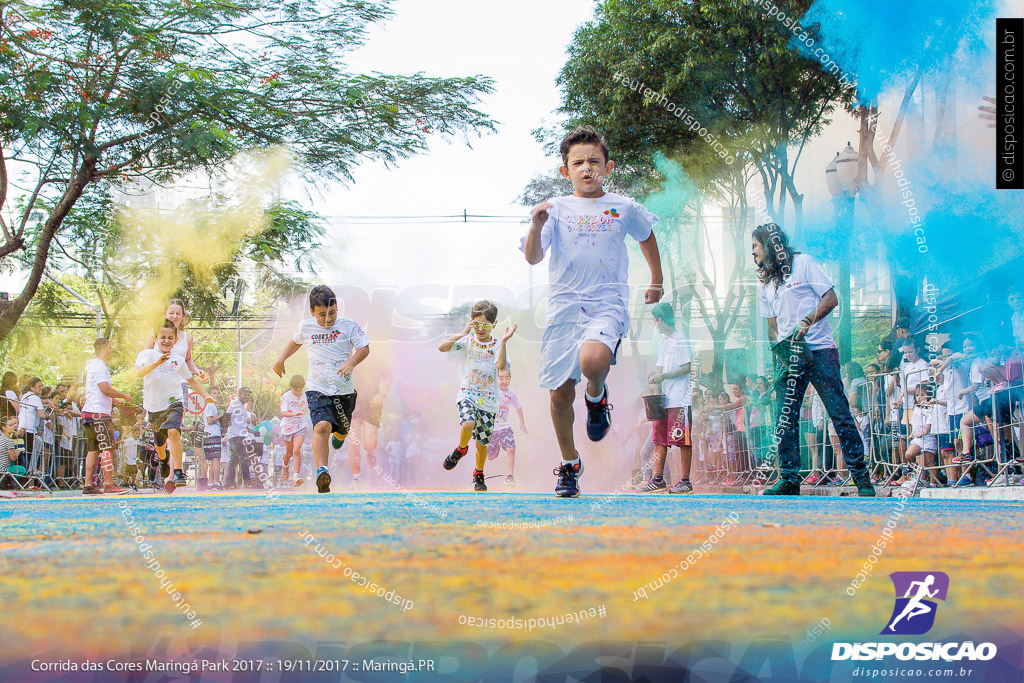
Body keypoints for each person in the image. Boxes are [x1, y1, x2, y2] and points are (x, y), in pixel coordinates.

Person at [521, 126, 663, 497]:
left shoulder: (623, 206)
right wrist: (536, 228)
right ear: (564, 171)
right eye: (578, 162)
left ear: (608, 166)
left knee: (593, 359)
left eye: (594, 162)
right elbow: (534, 258)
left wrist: (656, 280)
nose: (587, 168)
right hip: (563, 311)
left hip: (607, 304)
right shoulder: (553, 209)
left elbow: (646, 235)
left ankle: (597, 397)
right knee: (558, 396)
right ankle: (570, 464)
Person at [751, 223, 874, 496]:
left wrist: (808, 320)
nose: (753, 253)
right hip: (789, 357)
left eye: (756, 246)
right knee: (785, 419)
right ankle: (790, 479)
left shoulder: (804, 263)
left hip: (820, 351)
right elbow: (772, 328)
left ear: (771, 245)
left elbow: (831, 299)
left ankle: (861, 478)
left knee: (839, 413)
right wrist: (778, 357)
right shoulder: (764, 283)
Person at [273, 285, 370, 494]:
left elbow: (364, 348)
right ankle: (322, 472)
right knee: (321, 427)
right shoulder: (306, 327)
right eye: (322, 315)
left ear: (337, 307)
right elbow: (294, 342)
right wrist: (281, 359)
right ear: (312, 312)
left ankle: (341, 435)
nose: (328, 319)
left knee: (343, 430)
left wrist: (351, 363)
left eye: (332, 312)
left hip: (344, 391)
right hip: (317, 390)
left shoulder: (349, 326)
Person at [438, 300, 516, 492]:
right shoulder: (466, 341)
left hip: (488, 403)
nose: (481, 329)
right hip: (467, 395)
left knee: (482, 444)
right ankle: (461, 449)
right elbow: (442, 347)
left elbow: (500, 366)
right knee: (468, 423)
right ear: (472, 323)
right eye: (477, 325)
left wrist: (504, 342)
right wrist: (463, 332)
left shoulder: (497, 344)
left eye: (486, 326)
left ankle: (478, 474)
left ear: (493, 325)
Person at [136, 319, 214, 492]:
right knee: (160, 443)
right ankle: (164, 460)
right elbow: (140, 372)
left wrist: (206, 395)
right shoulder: (146, 355)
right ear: (156, 338)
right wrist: (157, 363)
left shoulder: (178, 359)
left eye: (170, 338)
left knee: (173, 431)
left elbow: (191, 379)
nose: (166, 341)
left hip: (174, 402)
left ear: (175, 340)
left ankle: (178, 471)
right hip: (154, 407)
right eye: (162, 337)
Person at [635, 302, 694, 494]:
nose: (655, 324)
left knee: (682, 440)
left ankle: (685, 481)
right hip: (664, 400)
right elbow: (659, 369)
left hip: (680, 399)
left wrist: (664, 376)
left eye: (655, 321)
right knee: (659, 439)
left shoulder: (681, 339)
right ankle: (658, 479)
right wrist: (655, 390)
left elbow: (687, 368)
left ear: (660, 320)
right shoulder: (663, 342)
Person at [81, 338, 134, 495]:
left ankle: (88, 484)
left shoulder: (94, 366)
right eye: (110, 347)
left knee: (93, 449)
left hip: (89, 412)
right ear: (103, 348)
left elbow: (98, 390)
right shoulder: (99, 366)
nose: (112, 350)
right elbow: (105, 389)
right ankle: (109, 484)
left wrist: (115, 401)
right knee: (107, 448)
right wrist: (123, 395)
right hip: (99, 414)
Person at [348, 352, 393, 488]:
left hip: (372, 404)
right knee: (354, 441)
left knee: (369, 443)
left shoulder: (375, 357)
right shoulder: (347, 356)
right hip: (352, 403)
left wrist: (381, 394)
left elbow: (388, 377)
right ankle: (356, 478)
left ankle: (369, 452)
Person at [487, 366, 527, 487]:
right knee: (490, 456)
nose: (504, 381)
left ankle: (509, 476)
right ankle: (496, 448)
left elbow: (518, 407)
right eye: (501, 378)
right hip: (492, 428)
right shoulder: (491, 391)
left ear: (510, 379)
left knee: (511, 449)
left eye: (507, 378)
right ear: (496, 379)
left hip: (505, 426)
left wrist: (522, 423)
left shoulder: (511, 394)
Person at [279, 375, 309, 487]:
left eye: (300, 389)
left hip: (300, 426)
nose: (298, 392)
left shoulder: (304, 396)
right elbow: (283, 413)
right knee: (289, 453)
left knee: (297, 450)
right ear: (292, 387)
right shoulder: (286, 397)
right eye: (296, 389)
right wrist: (294, 414)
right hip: (288, 427)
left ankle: (295, 476)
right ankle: (285, 466)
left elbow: (308, 410)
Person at [224, 387, 257, 489]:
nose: (246, 396)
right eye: (244, 394)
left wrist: (251, 431)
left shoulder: (243, 406)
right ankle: (247, 481)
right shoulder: (234, 404)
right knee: (244, 457)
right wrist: (225, 430)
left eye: (248, 394)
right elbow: (227, 416)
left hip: (240, 435)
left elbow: (241, 423)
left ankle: (229, 482)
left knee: (234, 460)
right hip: (235, 436)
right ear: (239, 394)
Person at [201, 385, 225, 491]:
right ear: (210, 395)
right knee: (216, 459)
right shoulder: (211, 405)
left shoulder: (211, 405)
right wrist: (220, 416)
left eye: (218, 393)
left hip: (210, 433)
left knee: (213, 460)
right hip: (213, 433)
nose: (217, 395)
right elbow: (210, 420)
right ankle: (215, 482)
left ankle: (211, 483)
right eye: (214, 393)